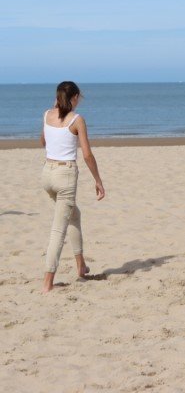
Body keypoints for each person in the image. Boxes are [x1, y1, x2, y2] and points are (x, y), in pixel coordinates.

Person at [40, 81, 105, 293]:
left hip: (47, 175)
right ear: (74, 97)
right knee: (58, 229)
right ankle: (48, 282)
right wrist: (98, 180)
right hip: (65, 176)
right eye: (79, 98)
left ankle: (81, 266)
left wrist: (54, 109)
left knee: (73, 215)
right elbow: (87, 154)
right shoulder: (77, 120)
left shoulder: (47, 114)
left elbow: (43, 142)